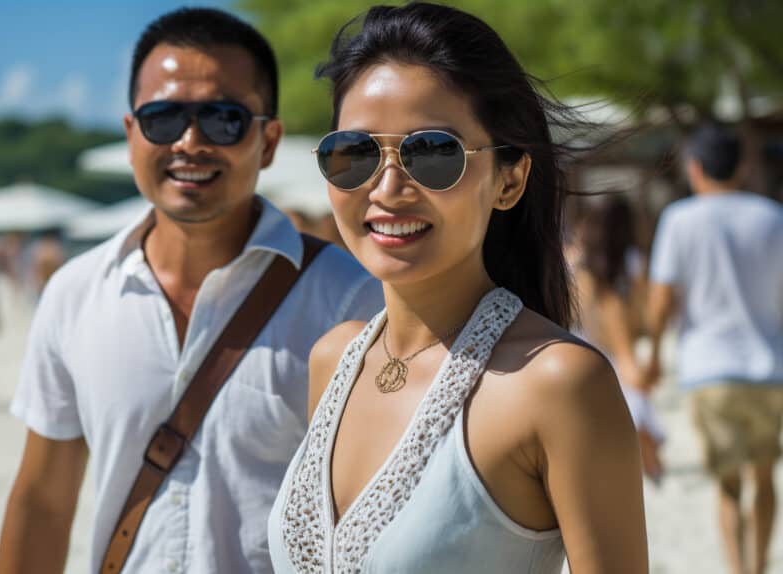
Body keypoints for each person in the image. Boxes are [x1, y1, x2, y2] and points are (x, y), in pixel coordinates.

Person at [0, 8, 383, 574]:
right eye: (163, 118)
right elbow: (43, 501)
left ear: (268, 141)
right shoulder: (74, 294)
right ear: (132, 136)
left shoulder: (351, 302)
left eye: (224, 119)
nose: (190, 141)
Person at [267, 4, 647, 573]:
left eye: (433, 153)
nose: (388, 187)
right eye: (354, 154)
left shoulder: (556, 384)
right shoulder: (334, 358)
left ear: (510, 180)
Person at [645, 122, 783, 574]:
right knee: (764, 477)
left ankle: (739, 570)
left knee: (727, 486)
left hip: (709, 370)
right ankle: (760, 566)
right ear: (743, 167)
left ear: (696, 168)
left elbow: (662, 299)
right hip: (769, 368)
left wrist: (652, 357)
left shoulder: (680, 219)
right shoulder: (772, 217)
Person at [569, 194, 665, 483]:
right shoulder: (630, 265)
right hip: (618, 360)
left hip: (580, 359)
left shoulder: (573, 263)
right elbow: (639, 319)